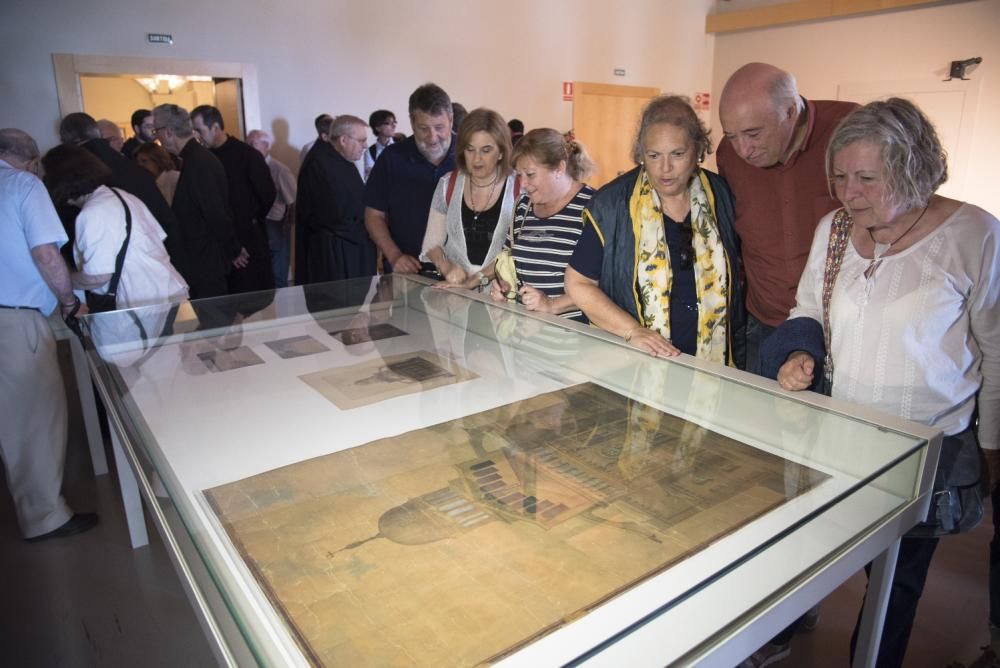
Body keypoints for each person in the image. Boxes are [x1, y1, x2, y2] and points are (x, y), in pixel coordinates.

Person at [762, 98, 999, 668]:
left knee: (897, 578)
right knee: (820, 545)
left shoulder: (976, 235)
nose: (849, 192)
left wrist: (991, 448)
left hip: (923, 447)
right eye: (841, 176)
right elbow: (807, 307)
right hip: (839, 437)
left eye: (867, 178)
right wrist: (799, 351)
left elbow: (996, 352)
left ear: (913, 167)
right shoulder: (836, 229)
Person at [565, 96, 744, 366]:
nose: (665, 168)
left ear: (697, 150)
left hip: (712, 364)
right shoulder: (612, 204)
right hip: (633, 363)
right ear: (641, 154)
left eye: (677, 154)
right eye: (654, 155)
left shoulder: (722, 196)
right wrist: (632, 330)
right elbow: (578, 283)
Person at [717, 62, 858, 374]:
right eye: (732, 135)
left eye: (753, 133)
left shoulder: (852, 130)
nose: (743, 149)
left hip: (841, 328)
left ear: (792, 111)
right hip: (765, 325)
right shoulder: (728, 154)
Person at [0, 128, 98, 542]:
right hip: (15, 317)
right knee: (34, 415)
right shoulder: (23, 185)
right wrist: (69, 299)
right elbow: (45, 254)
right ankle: (44, 516)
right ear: (34, 161)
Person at [42, 144, 189, 308]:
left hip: (136, 305)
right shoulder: (122, 195)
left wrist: (64, 279)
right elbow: (157, 240)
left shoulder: (92, 213)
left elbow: (98, 276)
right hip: (165, 291)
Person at [487, 128, 595, 321]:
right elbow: (508, 258)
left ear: (559, 169)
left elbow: (602, 283)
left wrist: (552, 305)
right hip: (525, 334)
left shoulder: (594, 208)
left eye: (530, 174)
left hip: (574, 339)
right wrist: (503, 285)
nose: (523, 184)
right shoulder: (523, 206)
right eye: (519, 175)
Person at [58, 113, 181, 261]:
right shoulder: (132, 168)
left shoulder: (76, 174)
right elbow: (164, 218)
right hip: (158, 253)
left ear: (65, 141)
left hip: (119, 261)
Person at [365, 82, 457, 274]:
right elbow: (374, 215)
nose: (432, 137)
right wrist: (394, 255)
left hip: (462, 274)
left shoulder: (470, 155)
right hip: (410, 272)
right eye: (423, 128)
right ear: (412, 121)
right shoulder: (391, 159)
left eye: (439, 127)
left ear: (451, 119)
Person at [420, 108, 517, 289]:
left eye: (486, 150)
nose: (477, 159)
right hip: (454, 298)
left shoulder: (520, 189)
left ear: (502, 152)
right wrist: (447, 267)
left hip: (501, 299)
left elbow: (518, 251)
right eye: (470, 150)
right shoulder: (447, 184)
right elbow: (432, 243)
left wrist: (478, 278)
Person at [153, 103, 241, 299]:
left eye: (156, 130)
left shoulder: (199, 162)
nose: (155, 137)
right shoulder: (193, 159)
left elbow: (216, 213)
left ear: (168, 132)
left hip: (206, 262)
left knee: (216, 324)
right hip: (201, 260)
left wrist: (233, 249)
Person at [191, 105, 276, 294]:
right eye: (194, 131)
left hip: (248, 236)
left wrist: (249, 223)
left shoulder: (247, 156)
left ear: (215, 128)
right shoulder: (203, 158)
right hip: (219, 242)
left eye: (199, 130)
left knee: (251, 294)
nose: (196, 136)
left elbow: (267, 195)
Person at [296, 115, 376, 282]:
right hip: (335, 255)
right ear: (343, 140)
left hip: (347, 248)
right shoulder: (319, 164)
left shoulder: (337, 159)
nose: (365, 146)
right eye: (361, 140)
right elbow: (334, 216)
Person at [247, 129, 297, 288]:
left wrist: (287, 226)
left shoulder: (279, 169)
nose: (249, 148)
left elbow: (293, 201)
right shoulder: (248, 167)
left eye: (253, 144)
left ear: (266, 145)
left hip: (275, 223)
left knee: (278, 270)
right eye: (247, 144)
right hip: (256, 224)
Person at [364, 109, 396, 180]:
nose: (394, 126)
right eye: (388, 123)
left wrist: (377, 170)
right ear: (377, 127)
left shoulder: (401, 146)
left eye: (394, 122)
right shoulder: (370, 152)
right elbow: (369, 179)